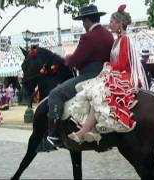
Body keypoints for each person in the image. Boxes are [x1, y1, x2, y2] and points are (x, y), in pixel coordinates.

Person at [67, 4, 148, 143]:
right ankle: (90, 129)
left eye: (112, 22)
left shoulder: (125, 40)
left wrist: (107, 65)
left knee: (98, 91)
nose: (109, 25)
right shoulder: (117, 40)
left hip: (124, 75)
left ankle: (85, 130)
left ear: (120, 23)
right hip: (115, 73)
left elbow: (122, 65)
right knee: (92, 92)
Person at [47, 4, 114, 147]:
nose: (83, 24)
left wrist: (67, 58)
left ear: (88, 20)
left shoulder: (88, 37)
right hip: (106, 75)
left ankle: (52, 137)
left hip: (90, 76)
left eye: (83, 21)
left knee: (55, 94)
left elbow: (75, 60)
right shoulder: (108, 34)